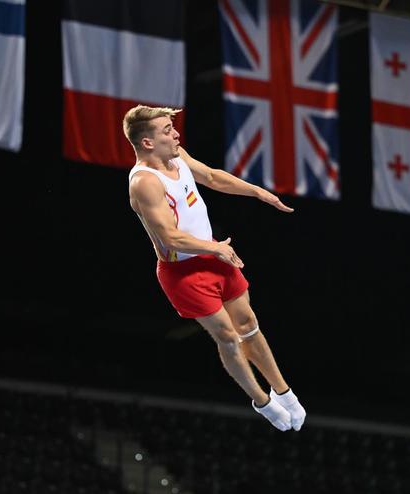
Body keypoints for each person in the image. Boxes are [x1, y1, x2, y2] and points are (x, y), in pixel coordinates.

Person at [124, 105, 306, 431]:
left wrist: (257, 192)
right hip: (184, 272)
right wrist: (216, 248)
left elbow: (210, 177)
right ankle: (261, 401)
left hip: (215, 256)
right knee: (227, 336)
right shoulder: (145, 183)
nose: (176, 134)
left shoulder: (176, 157)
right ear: (147, 142)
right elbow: (170, 237)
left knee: (249, 322)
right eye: (167, 130)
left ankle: (285, 392)